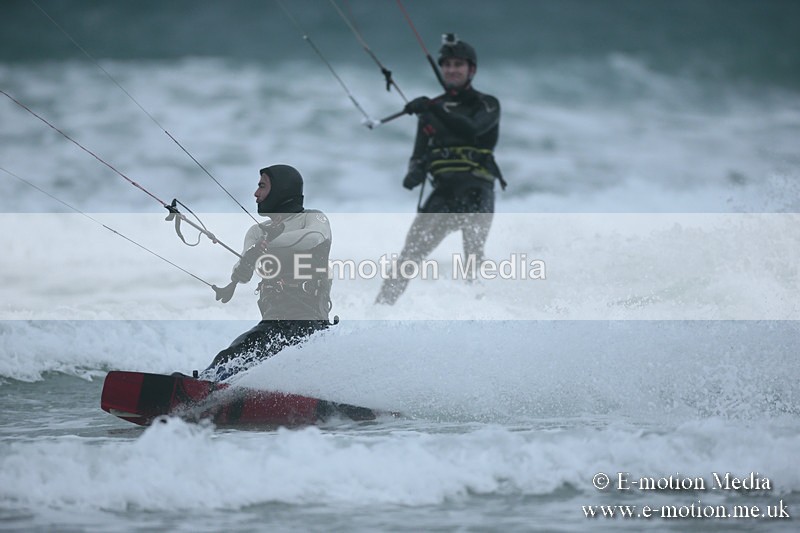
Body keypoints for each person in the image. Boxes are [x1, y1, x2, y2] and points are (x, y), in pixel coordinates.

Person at [375, 33, 505, 305]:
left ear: (472, 70)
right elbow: (419, 154)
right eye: (447, 64)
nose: (452, 69)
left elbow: (471, 130)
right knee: (406, 259)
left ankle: (481, 316)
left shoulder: (487, 103)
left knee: (473, 261)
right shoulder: (430, 109)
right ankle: (377, 313)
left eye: (459, 64)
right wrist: (415, 172)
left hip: (476, 191)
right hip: (444, 194)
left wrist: (433, 107)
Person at [200, 164, 333, 381]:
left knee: (242, 355)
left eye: (262, 186)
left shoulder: (314, 219)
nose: (256, 193)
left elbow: (313, 238)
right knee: (231, 358)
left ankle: (203, 388)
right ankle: (204, 385)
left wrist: (270, 243)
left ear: (282, 189)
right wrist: (245, 265)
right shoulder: (257, 232)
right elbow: (242, 272)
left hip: (309, 324)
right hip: (272, 325)